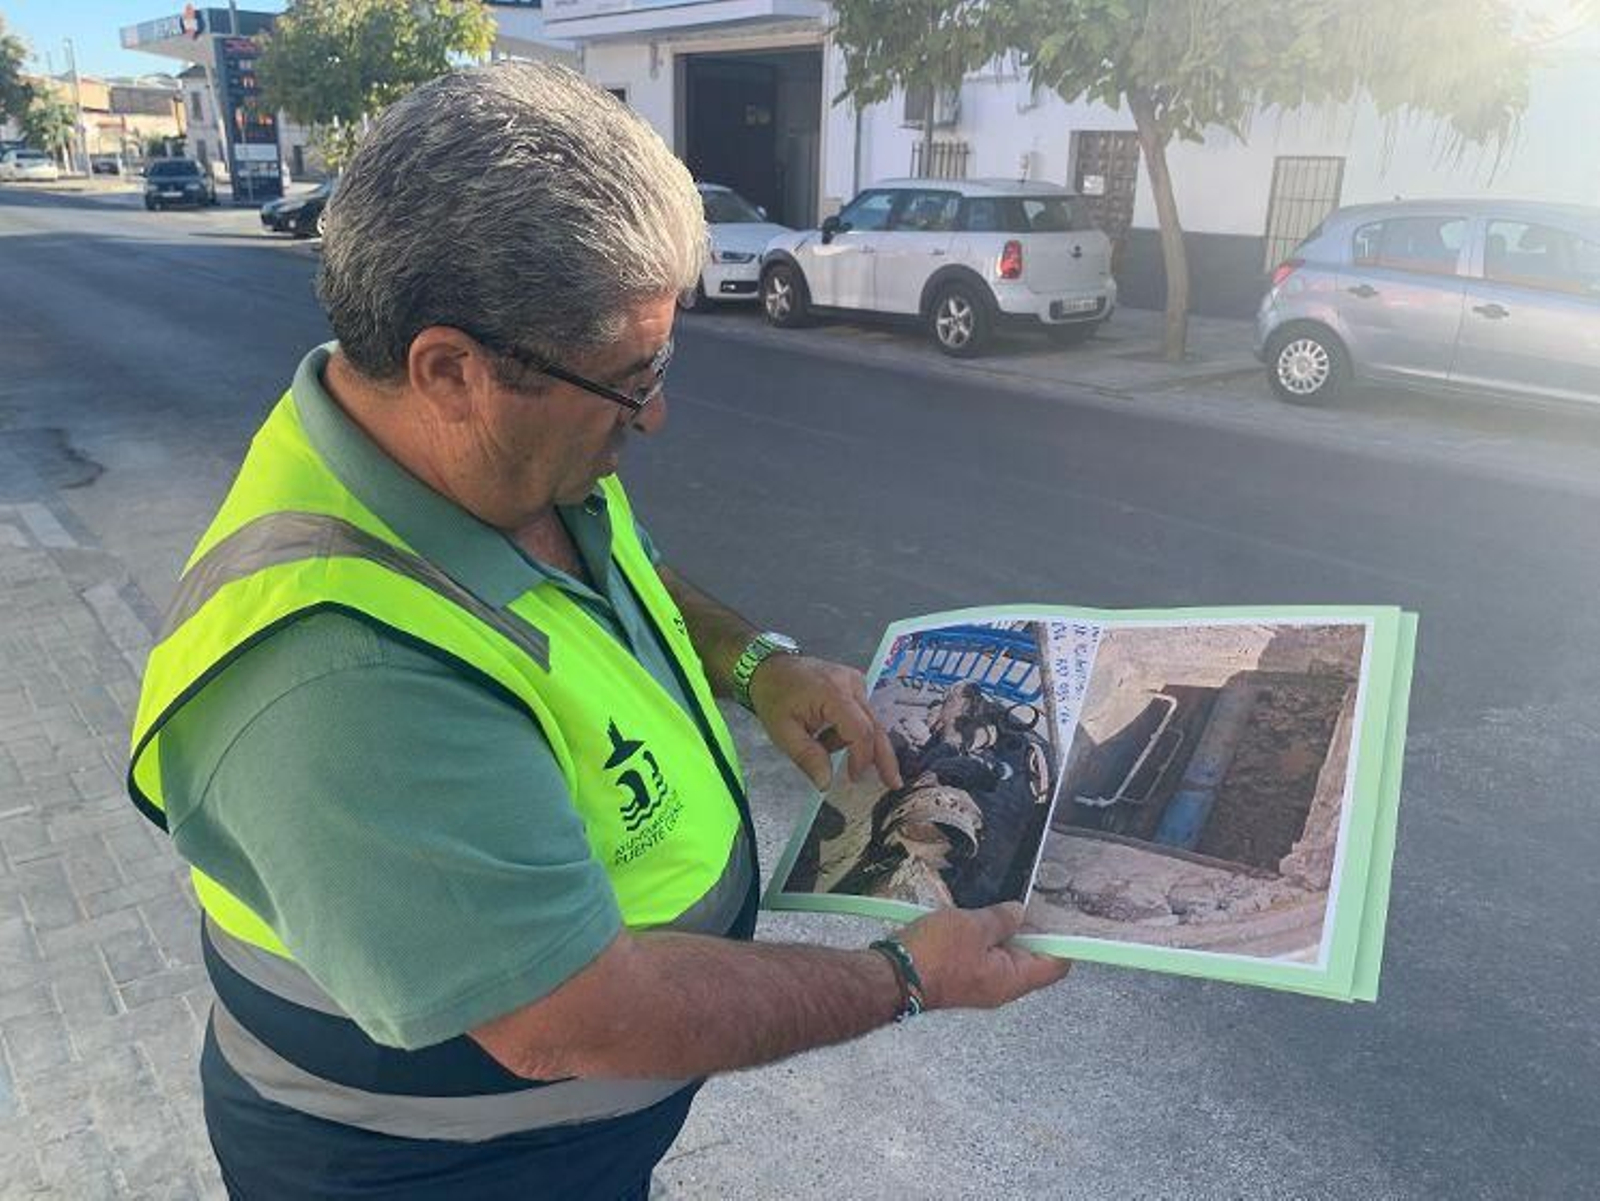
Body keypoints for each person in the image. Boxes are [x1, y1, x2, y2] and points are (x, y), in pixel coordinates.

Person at [125, 62, 1069, 1199]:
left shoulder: (496, 455)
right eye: (632, 378)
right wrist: (903, 980)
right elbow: (570, 1020)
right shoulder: (336, 679)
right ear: (451, 370)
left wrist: (752, 664)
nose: (656, 413)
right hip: (434, 1172)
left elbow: (623, 570)